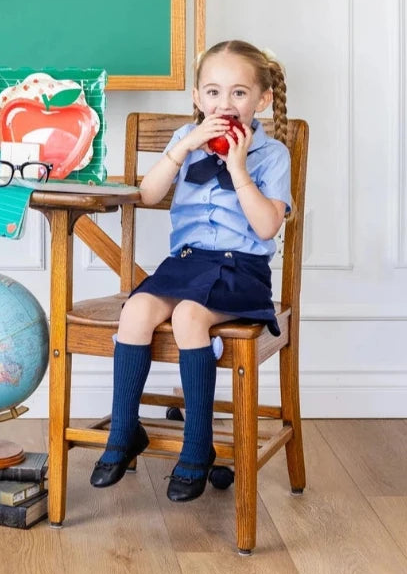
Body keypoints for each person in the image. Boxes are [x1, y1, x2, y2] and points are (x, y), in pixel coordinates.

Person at [90, 39, 292, 502]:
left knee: (187, 316)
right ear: (198, 98)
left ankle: (198, 444)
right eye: (214, 92)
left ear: (262, 100)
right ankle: (124, 431)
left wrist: (238, 168)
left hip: (241, 269)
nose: (225, 104)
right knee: (136, 311)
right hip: (185, 263)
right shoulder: (187, 138)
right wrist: (184, 147)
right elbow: (147, 194)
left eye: (239, 93)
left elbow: (266, 227)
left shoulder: (272, 154)